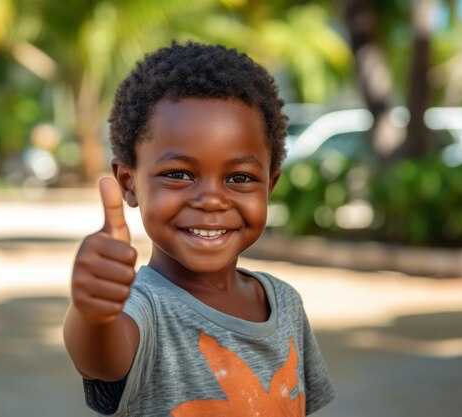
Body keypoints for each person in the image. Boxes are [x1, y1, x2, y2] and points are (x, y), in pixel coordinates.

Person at [62, 41, 335, 417]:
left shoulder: (285, 303)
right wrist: (91, 312)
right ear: (129, 182)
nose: (211, 200)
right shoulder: (143, 309)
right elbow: (99, 359)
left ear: (269, 187)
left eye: (240, 177)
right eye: (179, 175)